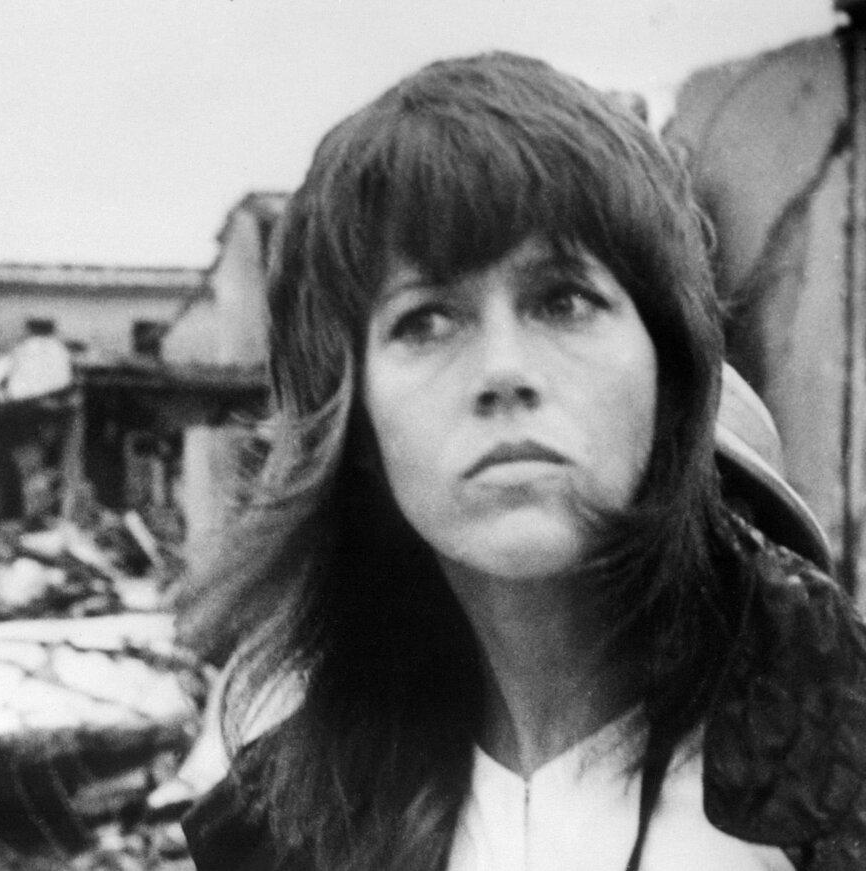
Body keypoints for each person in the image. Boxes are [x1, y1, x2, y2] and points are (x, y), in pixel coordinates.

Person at [177, 53, 866, 871]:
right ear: (356, 427)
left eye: (563, 300)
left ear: (670, 375)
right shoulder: (285, 828)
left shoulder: (827, 797)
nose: (503, 370)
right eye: (425, 320)